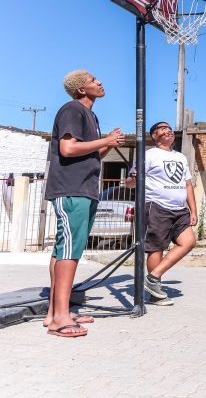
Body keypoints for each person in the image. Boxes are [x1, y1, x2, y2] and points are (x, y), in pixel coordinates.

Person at [43, 70, 125, 337]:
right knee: (69, 249)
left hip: (84, 189)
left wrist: (109, 143)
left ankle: (56, 311)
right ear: (81, 89)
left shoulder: (91, 115)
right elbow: (67, 149)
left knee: (65, 248)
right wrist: (106, 140)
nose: (99, 81)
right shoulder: (72, 109)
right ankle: (59, 319)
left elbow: (93, 154)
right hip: (71, 189)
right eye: (92, 80)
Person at [126, 121, 197, 306]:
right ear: (155, 135)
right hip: (156, 207)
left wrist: (193, 210)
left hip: (180, 209)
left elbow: (188, 185)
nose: (168, 130)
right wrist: (133, 178)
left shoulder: (180, 157)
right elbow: (130, 182)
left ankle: (153, 278)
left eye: (169, 129)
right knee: (156, 248)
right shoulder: (148, 155)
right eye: (163, 128)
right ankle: (155, 294)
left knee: (189, 242)